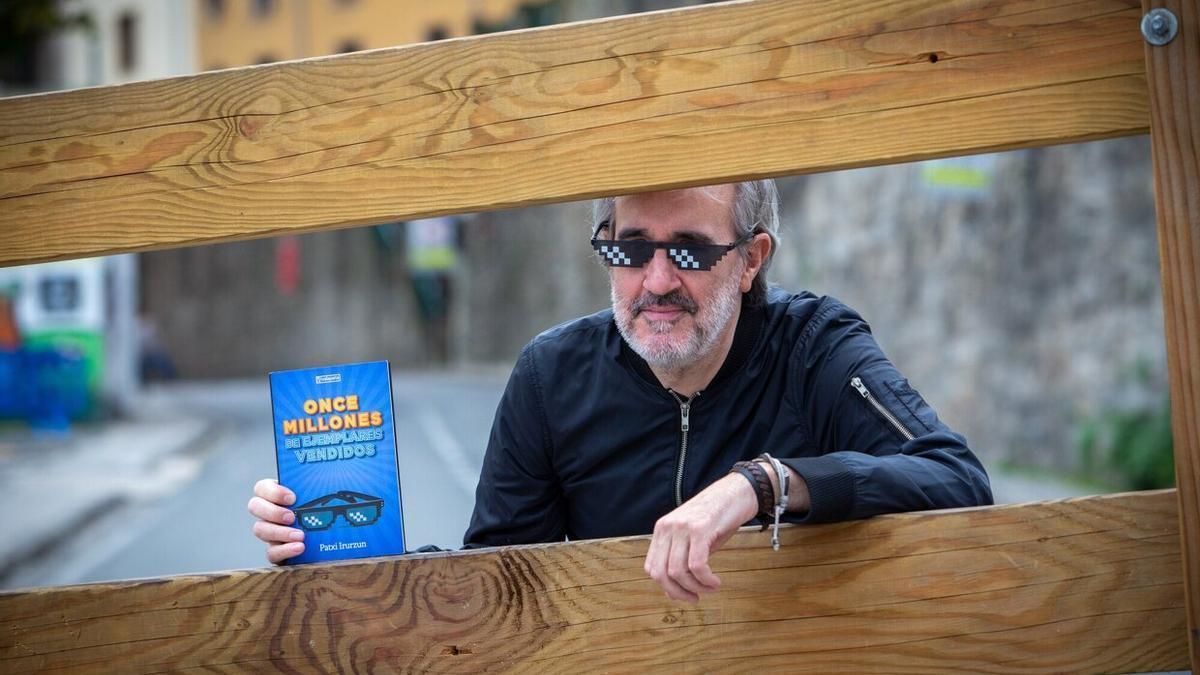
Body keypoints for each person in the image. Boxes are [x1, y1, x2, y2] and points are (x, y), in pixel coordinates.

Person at [249, 180, 992, 603]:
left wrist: (763, 484)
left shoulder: (814, 345)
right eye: (630, 248)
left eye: (692, 251)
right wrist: (349, 558)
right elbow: (499, 577)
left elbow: (956, 480)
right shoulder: (551, 375)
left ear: (751, 260)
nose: (657, 280)